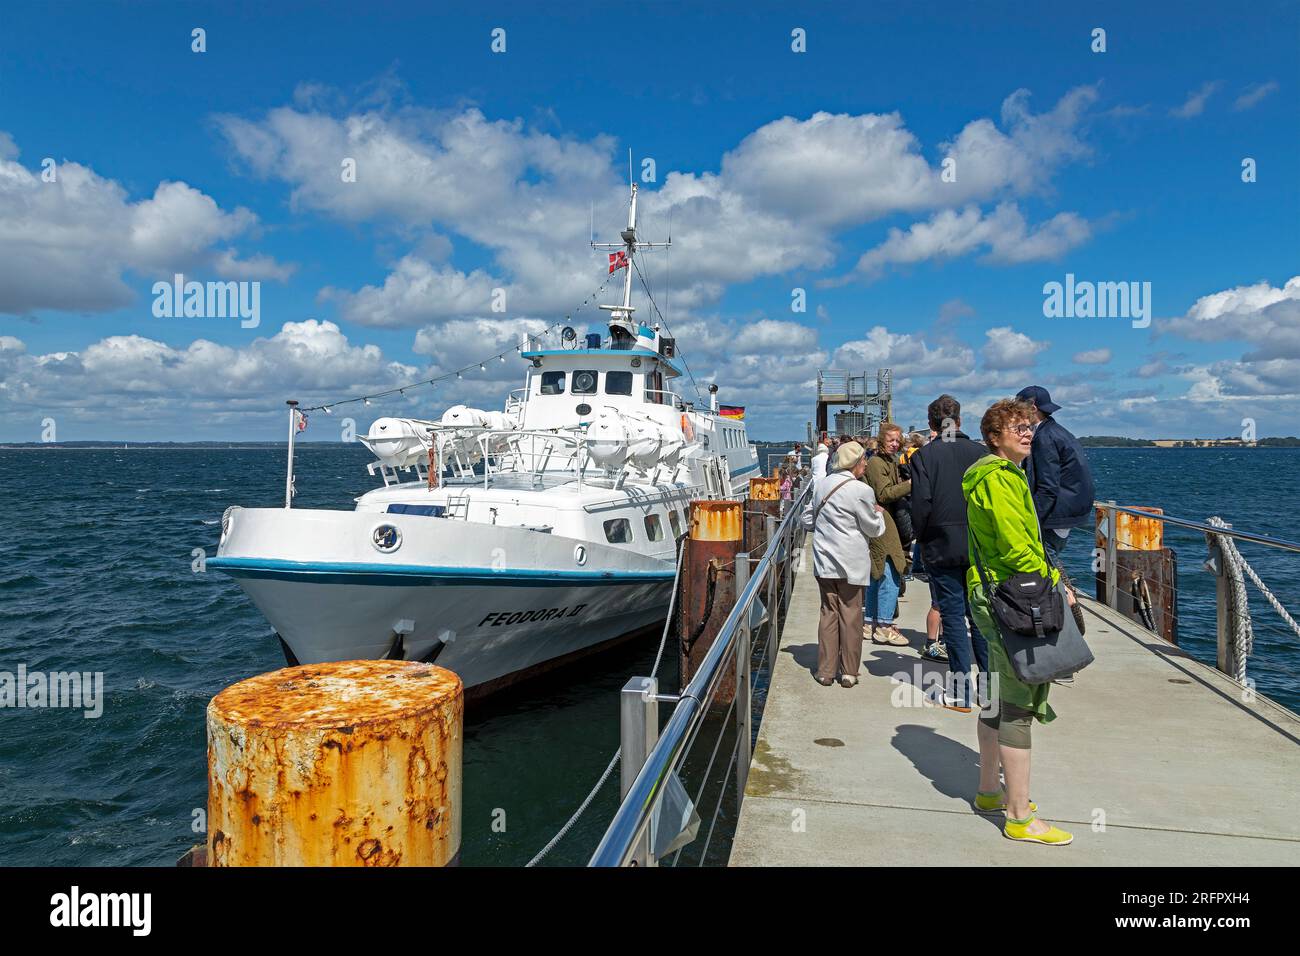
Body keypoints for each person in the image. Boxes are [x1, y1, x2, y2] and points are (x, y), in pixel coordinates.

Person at [963, 398, 1075, 846]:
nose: (1027, 433)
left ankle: (990, 790)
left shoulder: (996, 475)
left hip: (990, 592)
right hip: (1011, 596)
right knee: (1017, 705)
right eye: (1016, 428)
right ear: (994, 437)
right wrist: (1053, 581)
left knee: (993, 694)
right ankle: (1018, 815)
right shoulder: (999, 479)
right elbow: (1015, 546)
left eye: (1029, 427)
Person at [908, 395, 987, 708]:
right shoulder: (981, 454)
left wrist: (922, 538)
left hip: (941, 545)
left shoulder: (924, 457)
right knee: (981, 618)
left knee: (953, 617)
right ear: (960, 421)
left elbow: (921, 504)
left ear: (931, 424)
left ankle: (960, 692)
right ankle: (989, 689)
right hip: (979, 546)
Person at [801, 442, 887, 687]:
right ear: (855, 463)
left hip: (825, 559)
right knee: (851, 615)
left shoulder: (822, 485)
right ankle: (849, 672)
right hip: (851, 562)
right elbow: (873, 528)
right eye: (863, 460)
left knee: (828, 612)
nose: (866, 464)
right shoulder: (861, 490)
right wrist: (879, 514)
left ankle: (825, 671)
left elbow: (806, 518)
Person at [1015, 386, 1095, 562]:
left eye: (1018, 408)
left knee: (1043, 567)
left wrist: (1029, 521)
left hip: (1055, 515)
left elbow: (1047, 486)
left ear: (1033, 408)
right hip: (1065, 511)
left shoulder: (1044, 438)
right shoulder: (1053, 431)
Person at [863, 423, 910, 647]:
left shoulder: (889, 461)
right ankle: (884, 625)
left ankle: (869, 621)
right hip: (881, 521)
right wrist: (911, 484)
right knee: (891, 568)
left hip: (883, 520)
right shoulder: (875, 463)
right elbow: (884, 493)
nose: (895, 444)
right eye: (891, 440)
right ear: (881, 440)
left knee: (877, 571)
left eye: (897, 440)